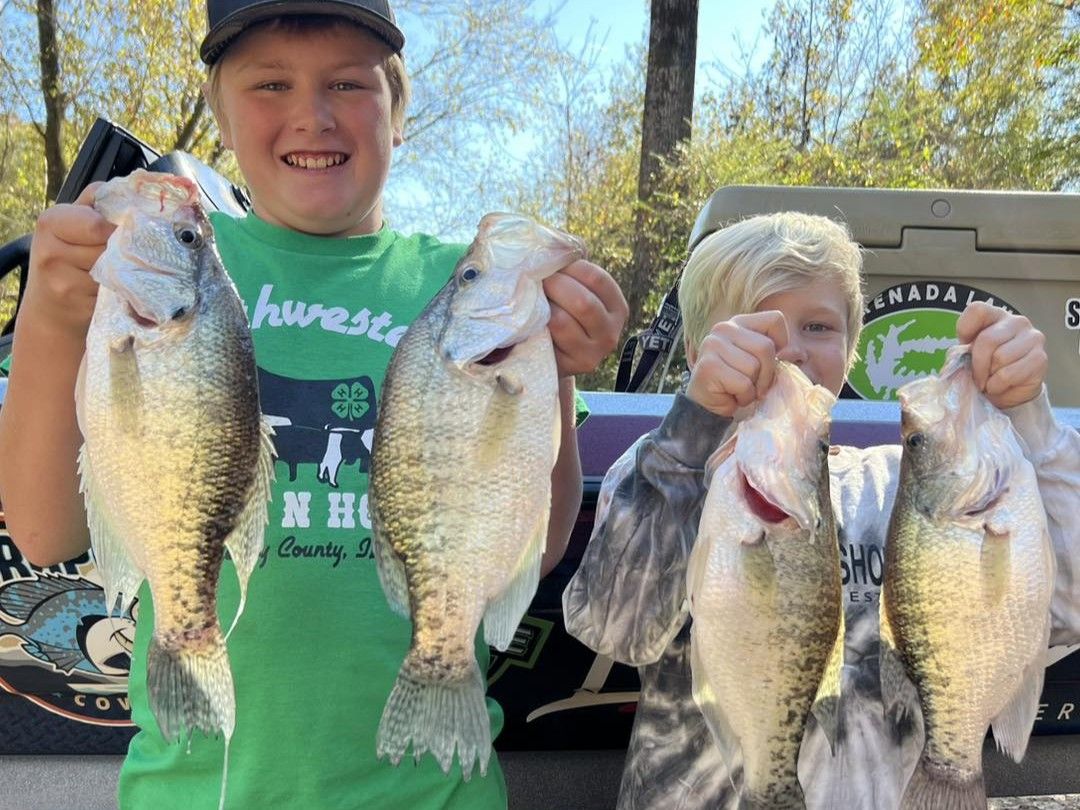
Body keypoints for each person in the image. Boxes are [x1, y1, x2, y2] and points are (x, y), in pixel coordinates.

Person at [0, 1, 628, 807]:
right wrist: (52, 316)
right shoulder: (153, 271)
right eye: (270, 83)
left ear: (399, 114)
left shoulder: (466, 283)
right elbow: (46, 529)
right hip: (197, 791)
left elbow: (528, 550)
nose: (312, 113)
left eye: (347, 82)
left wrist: (555, 365)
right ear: (221, 118)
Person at [562, 211, 1080, 809]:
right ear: (698, 349)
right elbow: (612, 627)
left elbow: (1063, 607)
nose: (791, 351)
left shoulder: (905, 487)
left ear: (852, 350)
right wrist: (692, 429)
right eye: (755, 324)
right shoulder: (665, 469)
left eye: (818, 326)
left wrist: (1031, 422)